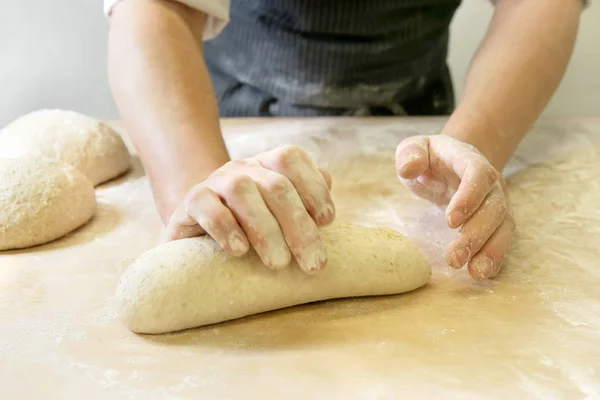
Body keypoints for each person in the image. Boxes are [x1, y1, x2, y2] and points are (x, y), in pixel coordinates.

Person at [104, 0, 584, 281]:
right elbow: (155, 7)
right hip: (229, 126)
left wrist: (473, 146)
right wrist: (201, 189)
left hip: (420, 117)